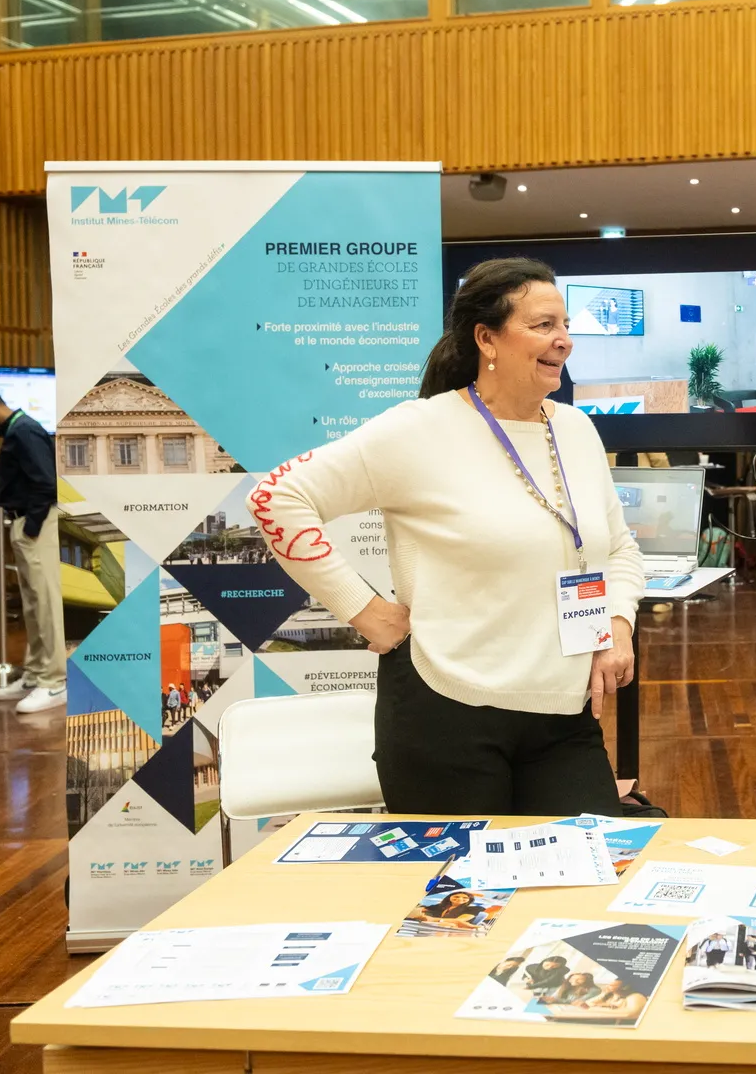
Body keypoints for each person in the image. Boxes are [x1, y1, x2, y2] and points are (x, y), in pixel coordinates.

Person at [249, 258, 643, 816]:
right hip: (446, 712)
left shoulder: (576, 430)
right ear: (487, 338)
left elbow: (620, 549)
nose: (564, 341)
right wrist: (363, 609)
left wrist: (618, 623)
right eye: (543, 325)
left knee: (584, 882)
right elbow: (277, 499)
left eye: (565, 325)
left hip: (564, 710)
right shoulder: (419, 429)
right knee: (458, 897)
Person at [0, 387, 63, 715]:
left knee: (44, 603)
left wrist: (31, 528)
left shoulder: (26, 431)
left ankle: (55, 680)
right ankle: (35, 674)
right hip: (26, 524)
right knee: (33, 605)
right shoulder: (20, 430)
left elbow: (46, 484)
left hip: (35, 524)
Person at [421, 891, 487, 925]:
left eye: (465, 898)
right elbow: (423, 909)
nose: (460, 899)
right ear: (449, 897)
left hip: (458, 932)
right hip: (436, 927)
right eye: (456, 896)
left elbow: (459, 921)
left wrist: (431, 919)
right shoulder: (441, 906)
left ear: (469, 900)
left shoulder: (474, 908)